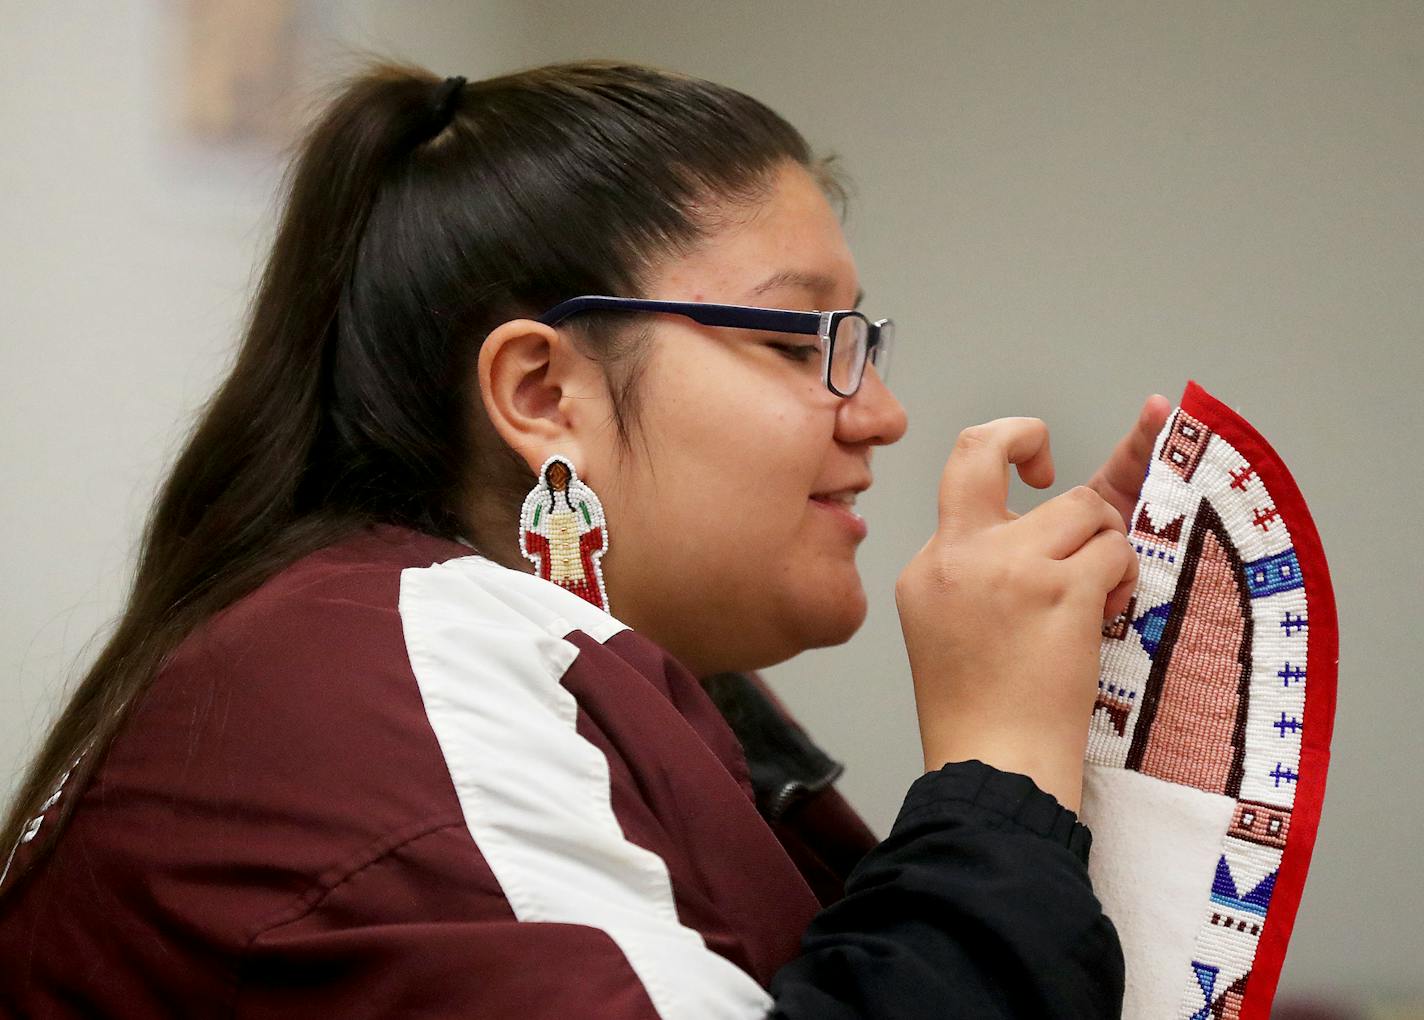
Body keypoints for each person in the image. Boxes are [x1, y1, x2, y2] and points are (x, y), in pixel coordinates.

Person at [0, 60, 1168, 1017]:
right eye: (801, 340)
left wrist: (1080, 726)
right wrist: (996, 768)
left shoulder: (463, 660)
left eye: (860, 339)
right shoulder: (383, 675)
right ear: (544, 393)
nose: (877, 412)